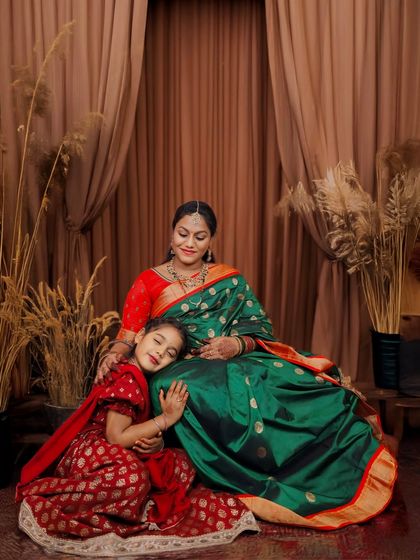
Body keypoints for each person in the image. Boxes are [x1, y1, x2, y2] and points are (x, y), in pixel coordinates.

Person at [96, 200, 398, 531]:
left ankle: (328, 459)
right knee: (198, 390)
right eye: (183, 234)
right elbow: (128, 335)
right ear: (171, 235)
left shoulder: (230, 279)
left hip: (234, 358)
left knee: (293, 386)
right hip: (178, 366)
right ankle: (250, 469)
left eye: (200, 236)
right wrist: (113, 354)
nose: (189, 243)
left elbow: (260, 329)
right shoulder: (148, 280)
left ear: (211, 241)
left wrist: (235, 344)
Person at [16, 317, 258, 557]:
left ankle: (132, 503)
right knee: (134, 478)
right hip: (91, 451)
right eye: (157, 341)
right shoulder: (128, 377)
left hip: (113, 449)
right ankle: (57, 498)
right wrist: (166, 419)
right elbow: (116, 437)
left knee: (182, 462)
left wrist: (156, 444)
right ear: (140, 336)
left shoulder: (141, 377)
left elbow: (134, 430)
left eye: (170, 353)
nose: (160, 352)